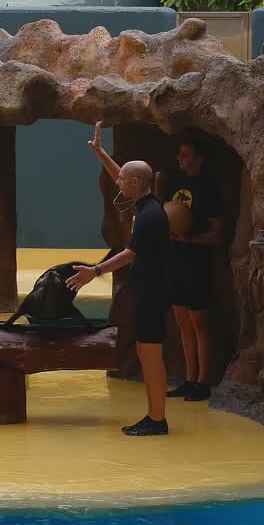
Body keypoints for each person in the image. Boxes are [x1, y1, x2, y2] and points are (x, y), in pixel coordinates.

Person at [68, 122, 172, 437]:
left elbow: (129, 254)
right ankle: (155, 416)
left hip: (153, 294)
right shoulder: (145, 202)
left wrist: (94, 272)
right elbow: (120, 174)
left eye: (124, 180)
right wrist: (100, 152)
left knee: (151, 356)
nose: (118, 183)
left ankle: (157, 419)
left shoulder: (151, 216)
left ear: (137, 182)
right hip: (148, 291)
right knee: (146, 352)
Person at [163, 133, 224, 402]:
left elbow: (217, 235)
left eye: (186, 155)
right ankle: (189, 379)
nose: (180, 160)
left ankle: (203, 381)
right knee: (181, 320)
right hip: (175, 259)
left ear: (199, 159)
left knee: (198, 321)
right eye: (179, 155)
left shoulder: (209, 189)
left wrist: (190, 239)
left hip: (197, 260)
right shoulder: (174, 184)